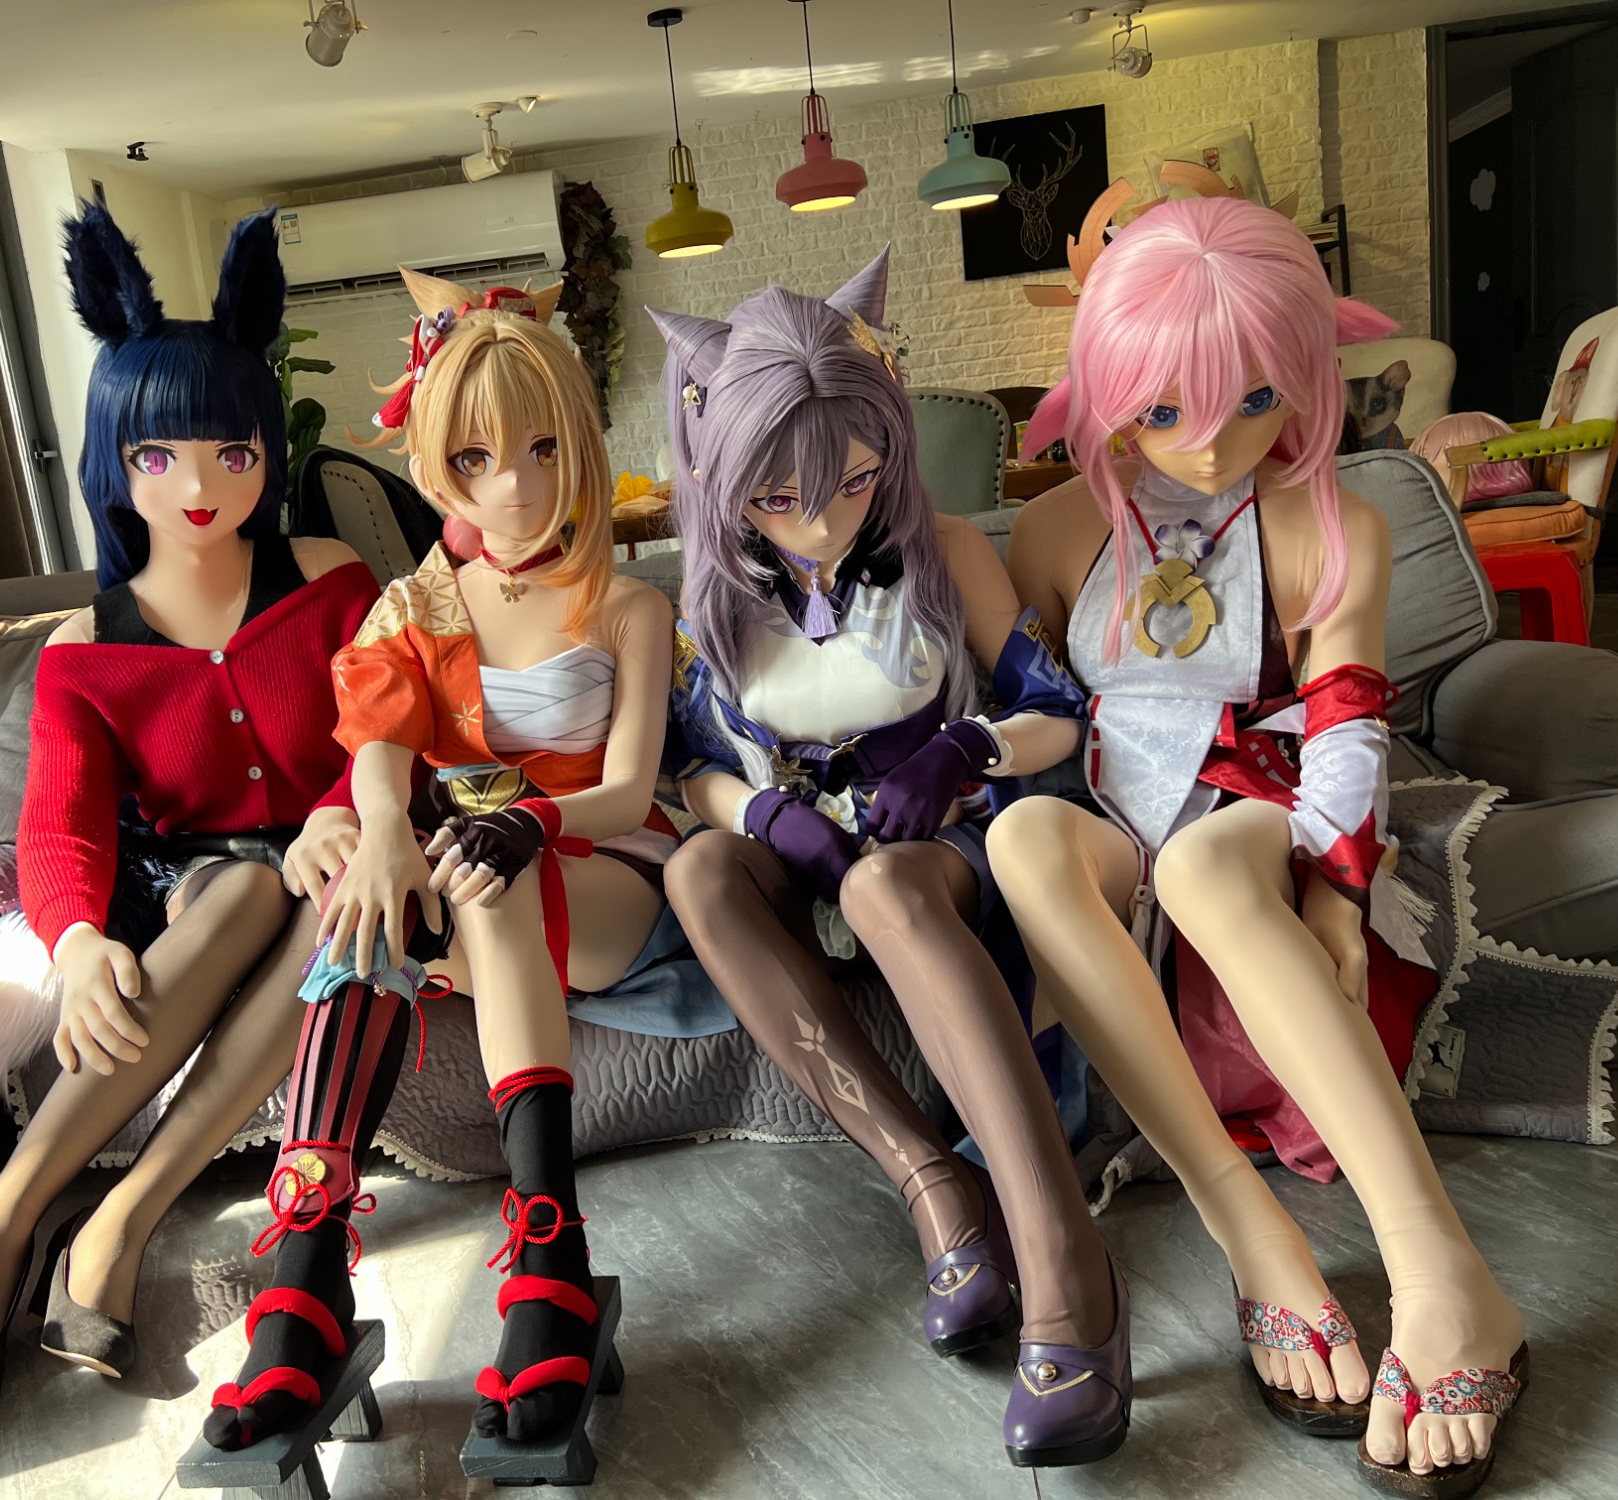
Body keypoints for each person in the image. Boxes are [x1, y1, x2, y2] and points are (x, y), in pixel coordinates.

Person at [995, 190, 1526, 1495]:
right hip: (1110, 801)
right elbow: (1037, 717)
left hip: (1266, 804)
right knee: (1023, 846)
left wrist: (1337, 898)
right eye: (1162, 409)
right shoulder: (1052, 532)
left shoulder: (1333, 522)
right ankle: (1252, 1235)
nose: (1211, 444)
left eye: (1252, 399)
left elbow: (1345, 728)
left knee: (1197, 862)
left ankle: (1441, 1273)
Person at [651, 250, 1129, 1469]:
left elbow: (1056, 713)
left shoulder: (946, 551)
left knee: (877, 883)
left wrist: (965, 744)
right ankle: (932, 1191)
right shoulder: (709, 602)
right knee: (698, 871)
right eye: (778, 498)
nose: (821, 523)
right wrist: (762, 818)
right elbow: (691, 772)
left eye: (853, 483)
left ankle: (1064, 1262)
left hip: (934, 839)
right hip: (799, 841)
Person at [0, 203, 378, 1421]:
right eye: (158, 457)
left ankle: (118, 1219)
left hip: (330, 857)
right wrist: (73, 938)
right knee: (246, 886)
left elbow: (387, 722)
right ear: (114, 461)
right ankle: (2, 1217)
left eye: (231, 451)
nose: (200, 485)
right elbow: (59, 826)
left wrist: (341, 809)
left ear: (266, 449)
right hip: (196, 876)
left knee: (335, 901)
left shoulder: (329, 580)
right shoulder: (81, 648)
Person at [202, 269, 673, 1456]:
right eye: (475, 459)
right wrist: (375, 839)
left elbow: (627, 791)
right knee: (370, 897)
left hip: (605, 871)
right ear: (433, 464)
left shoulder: (626, 603)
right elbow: (377, 752)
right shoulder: (418, 603)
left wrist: (532, 822)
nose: (513, 484)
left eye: (541, 448)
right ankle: (304, 1271)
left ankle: (550, 1251)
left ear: (580, 441)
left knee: (485, 866)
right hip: (473, 887)